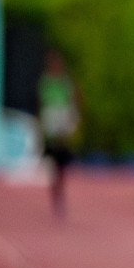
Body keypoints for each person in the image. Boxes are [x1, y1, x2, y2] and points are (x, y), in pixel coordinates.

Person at [38, 49, 81, 219]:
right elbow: (41, 102)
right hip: (51, 121)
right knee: (52, 163)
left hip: (62, 119)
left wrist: (73, 118)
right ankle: (55, 189)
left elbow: (75, 97)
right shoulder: (46, 82)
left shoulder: (64, 83)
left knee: (61, 160)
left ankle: (60, 187)